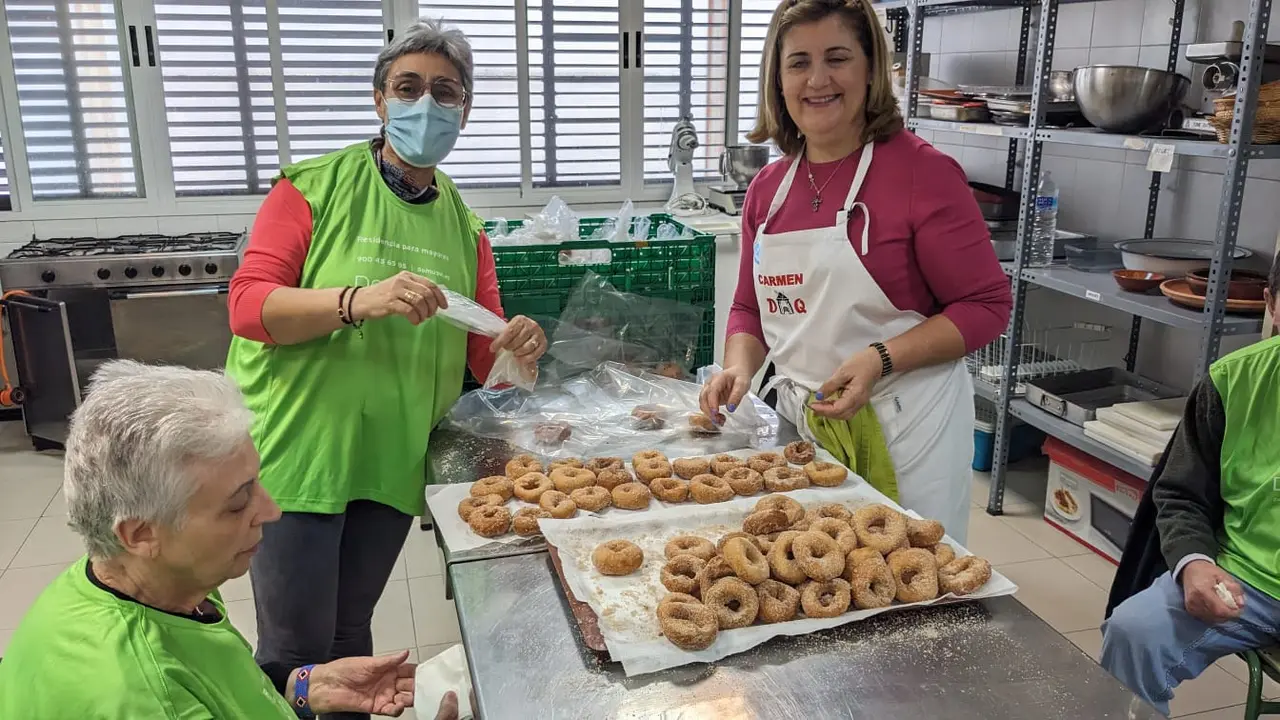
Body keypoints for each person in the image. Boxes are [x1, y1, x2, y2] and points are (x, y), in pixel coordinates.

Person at [223, 18, 547, 707]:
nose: (426, 104)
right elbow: (248, 306)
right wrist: (357, 300)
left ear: (464, 111)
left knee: (350, 637)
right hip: (299, 456)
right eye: (408, 87)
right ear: (380, 99)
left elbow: (483, 349)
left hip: (392, 461)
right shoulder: (313, 189)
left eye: (445, 92)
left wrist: (516, 343)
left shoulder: (463, 224)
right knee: (294, 652)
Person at [699, 0, 1010, 541]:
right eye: (798, 63)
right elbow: (750, 306)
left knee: (906, 574)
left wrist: (879, 358)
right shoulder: (767, 190)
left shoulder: (922, 173)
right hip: (804, 426)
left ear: (870, 71)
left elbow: (987, 307)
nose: (817, 79)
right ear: (778, 80)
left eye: (837, 58)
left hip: (907, 424)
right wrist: (739, 370)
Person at [0, 360, 417, 718]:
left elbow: (220, 687)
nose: (271, 511)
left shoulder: (151, 581)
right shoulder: (147, 697)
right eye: (237, 503)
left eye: (256, 483)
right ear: (140, 534)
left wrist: (303, 687)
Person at [1100, 253, 1280, 717]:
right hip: (1247, 579)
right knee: (1134, 632)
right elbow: (1181, 492)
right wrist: (1194, 562)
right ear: (1271, 304)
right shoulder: (1232, 381)